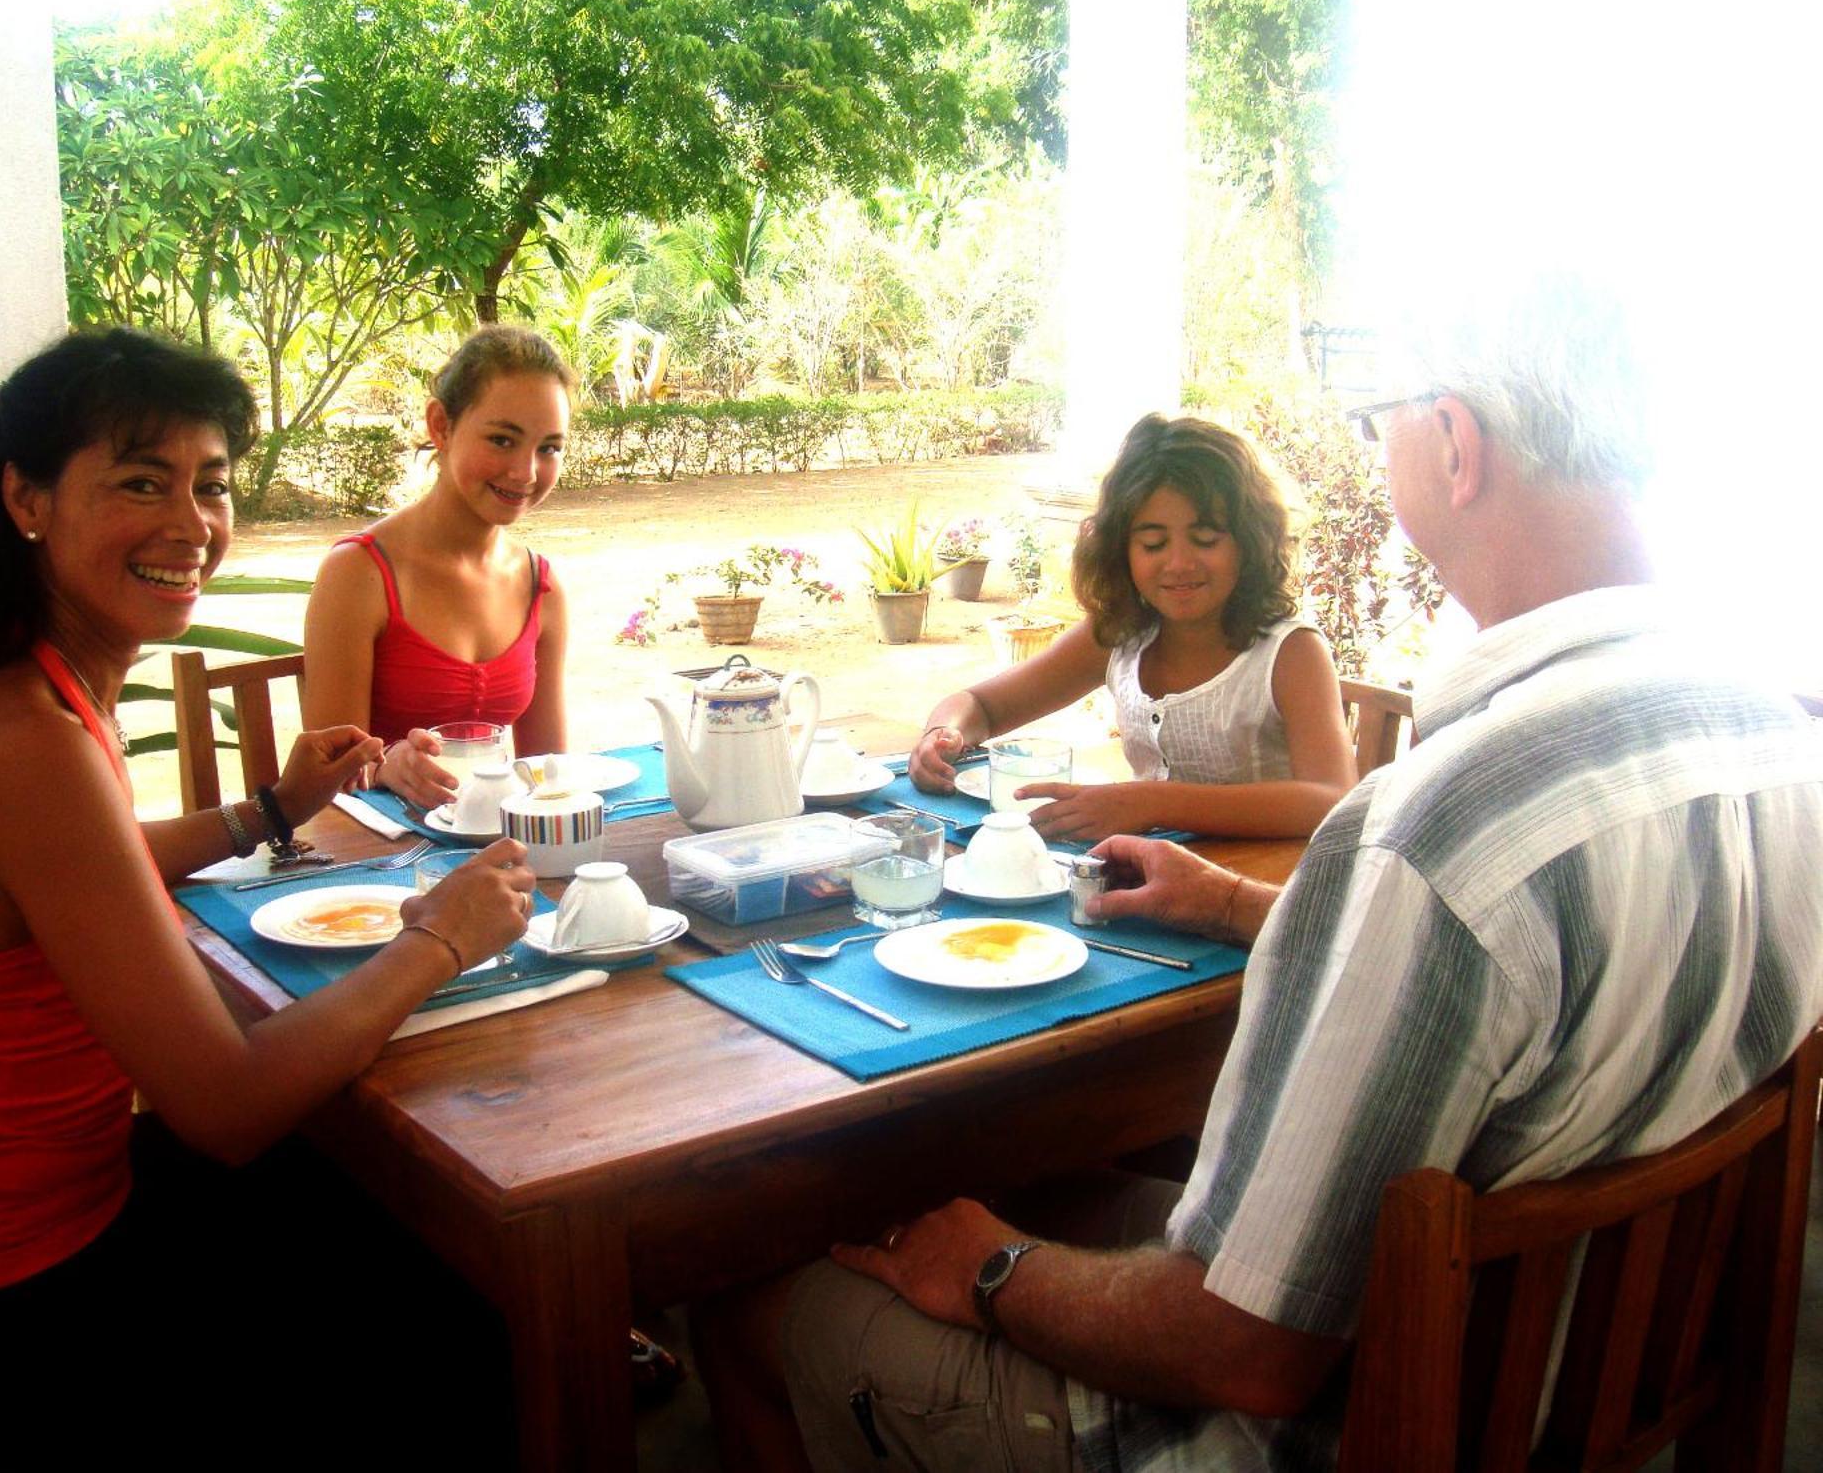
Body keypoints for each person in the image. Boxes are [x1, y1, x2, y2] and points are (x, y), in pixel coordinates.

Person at [696, 266, 1823, 1472]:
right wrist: (1241, 903)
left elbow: (1246, 1349)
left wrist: (986, 1265)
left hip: (1343, 1423)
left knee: (753, 1291)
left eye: (1375, 418)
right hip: (1593, 1367)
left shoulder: (1435, 834)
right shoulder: (1775, 734)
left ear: (1451, 443)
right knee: (1024, 1184)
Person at [0, 328, 536, 1467]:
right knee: (456, 1309)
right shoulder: (22, 740)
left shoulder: (15, 683)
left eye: (211, 486)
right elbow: (227, 1103)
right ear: (27, 498)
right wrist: (436, 940)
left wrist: (266, 811)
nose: (191, 523)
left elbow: (88, 866)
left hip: (14, 1224)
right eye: (140, 482)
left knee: (393, 1224)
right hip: (4, 1307)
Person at [909, 414, 1355, 842]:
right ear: (1121, 551)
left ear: (1250, 542)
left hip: (1263, 892)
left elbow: (1330, 798)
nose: (1179, 564)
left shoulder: (1288, 653)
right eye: (1153, 543)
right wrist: (943, 734)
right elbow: (982, 706)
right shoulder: (1122, 635)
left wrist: (1151, 803)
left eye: (1206, 539)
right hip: (1152, 881)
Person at [302, 324, 573, 810]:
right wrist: (386, 764)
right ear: (440, 426)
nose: (526, 472)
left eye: (548, 448)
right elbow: (322, 781)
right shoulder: (360, 573)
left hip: (487, 853)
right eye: (502, 439)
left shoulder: (541, 586)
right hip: (376, 861)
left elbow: (546, 776)